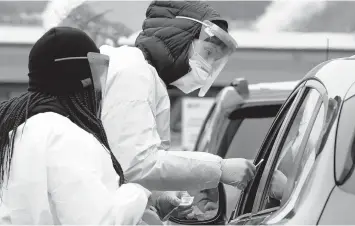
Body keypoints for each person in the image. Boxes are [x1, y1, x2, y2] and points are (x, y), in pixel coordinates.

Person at [99, 0, 256, 220]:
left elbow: (122, 166)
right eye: (208, 53)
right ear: (179, 37)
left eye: (214, 60)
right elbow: (135, 163)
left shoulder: (146, 78)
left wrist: (156, 199)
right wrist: (219, 169)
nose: (208, 66)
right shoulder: (133, 73)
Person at [0, 27, 151, 225]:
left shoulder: (15, 132)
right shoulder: (67, 138)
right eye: (99, 70)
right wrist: (139, 194)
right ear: (84, 78)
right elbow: (97, 222)